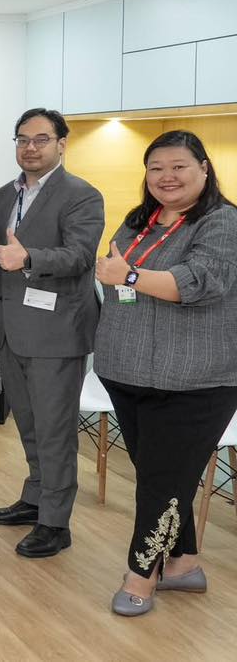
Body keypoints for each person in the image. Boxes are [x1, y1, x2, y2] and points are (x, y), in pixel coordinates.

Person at [93, 130, 237, 615]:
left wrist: (130, 276)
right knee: (165, 478)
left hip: (195, 379)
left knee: (160, 483)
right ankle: (184, 565)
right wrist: (120, 277)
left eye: (178, 166)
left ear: (203, 169)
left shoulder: (222, 222)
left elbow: (200, 281)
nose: (166, 177)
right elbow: (116, 279)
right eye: (156, 168)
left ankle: (141, 576)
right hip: (128, 371)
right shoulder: (141, 221)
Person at [0, 108, 104, 558]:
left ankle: (55, 522)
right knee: (30, 423)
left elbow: (80, 256)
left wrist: (29, 257)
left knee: (55, 430)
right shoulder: (2, 195)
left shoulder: (81, 195)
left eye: (41, 139)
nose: (30, 147)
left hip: (56, 332)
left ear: (61, 144)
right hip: (9, 329)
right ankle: (35, 497)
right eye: (22, 139)